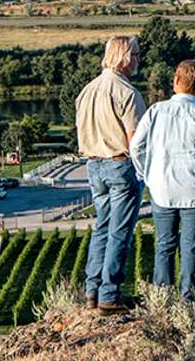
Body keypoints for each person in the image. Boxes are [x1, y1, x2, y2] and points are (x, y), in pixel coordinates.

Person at [130, 58, 195, 301]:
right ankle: (188, 300)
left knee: (164, 246)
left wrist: (146, 175)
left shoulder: (156, 111)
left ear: (175, 80)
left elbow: (136, 146)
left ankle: (162, 299)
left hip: (162, 189)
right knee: (190, 247)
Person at [76, 35, 147, 312]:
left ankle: (92, 291)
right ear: (126, 57)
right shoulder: (127, 93)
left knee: (101, 228)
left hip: (93, 165)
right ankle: (110, 294)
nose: (139, 60)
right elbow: (135, 141)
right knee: (120, 232)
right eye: (137, 55)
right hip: (120, 164)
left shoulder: (87, 91)